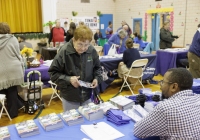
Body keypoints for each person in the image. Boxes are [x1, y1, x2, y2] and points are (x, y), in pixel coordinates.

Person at [134, 68, 200, 139]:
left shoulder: (166, 108)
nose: (160, 86)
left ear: (174, 87)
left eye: (163, 82)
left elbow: (138, 131)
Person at [48, 25, 103, 111]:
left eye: (86, 45)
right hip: (70, 98)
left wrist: (97, 78)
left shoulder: (91, 50)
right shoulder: (64, 51)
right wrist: (69, 79)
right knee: (72, 123)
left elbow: (98, 68)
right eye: (80, 44)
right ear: (74, 40)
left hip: (87, 96)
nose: (83, 48)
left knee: (87, 122)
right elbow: (53, 74)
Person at [0, 22, 24, 118]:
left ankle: (2, 111)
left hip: (1, 69)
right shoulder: (13, 39)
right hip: (14, 68)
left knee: (2, 89)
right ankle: (13, 113)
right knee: (12, 90)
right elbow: (17, 54)